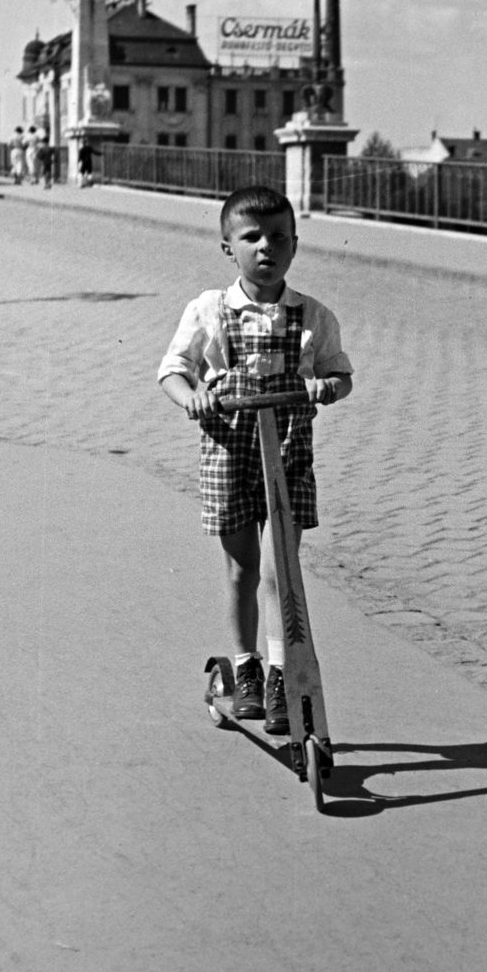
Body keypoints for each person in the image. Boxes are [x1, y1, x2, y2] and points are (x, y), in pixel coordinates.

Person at [157, 186, 353, 733]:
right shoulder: (210, 310)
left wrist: (326, 388)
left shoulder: (312, 315)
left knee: (279, 570)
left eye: (279, 239)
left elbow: (340, 373)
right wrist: (191, 395)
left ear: (295, 246)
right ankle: (245, 667)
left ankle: (277, 673)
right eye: (252, 238)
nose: (266, 248)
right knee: (243, 567)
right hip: (230, 448)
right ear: (228, 248)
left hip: (287, 450)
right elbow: (172, 370)